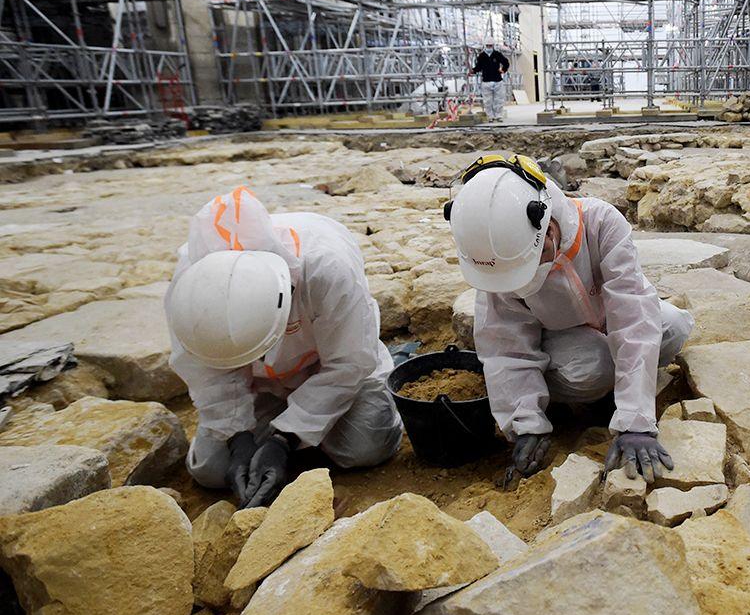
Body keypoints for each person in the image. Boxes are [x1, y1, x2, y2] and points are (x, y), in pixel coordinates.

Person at [445, 154, 693, 484]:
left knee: (672, 328)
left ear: (547, 228)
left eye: (536, 261)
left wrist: (636, 422)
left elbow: (633, 315)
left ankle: (619, 395)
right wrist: (525, 423)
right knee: (595, 367)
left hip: (606, 319)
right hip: (562, 339)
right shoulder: (497, 259)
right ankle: (569, 399)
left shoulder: (600, 222)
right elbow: (505, 345)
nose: (530, 275)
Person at [166, 187, 402, 508]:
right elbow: (204, 370)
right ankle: (287, 427)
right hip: (257, 382)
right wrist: (238, 438)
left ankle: (295, 429)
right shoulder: (190, 288)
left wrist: (283, 439)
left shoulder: (327, 267)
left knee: (366, 446)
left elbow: (349, 363)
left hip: (328, 367)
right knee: (212, 471)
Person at [472, 38, 509, 122]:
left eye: (490, 46)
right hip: (486, 81)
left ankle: (498, 115)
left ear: (493, 46)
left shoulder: (497, 54)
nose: (489, 47)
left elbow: (506, 62)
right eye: (487, 46)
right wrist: (473, 71)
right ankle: (490, 116)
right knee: (487, 101)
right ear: (485, 46)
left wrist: (503, 70)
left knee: (498, 100)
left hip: (497, 80)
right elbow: (479, 67)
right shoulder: (482, 56)